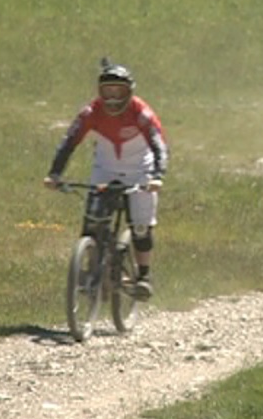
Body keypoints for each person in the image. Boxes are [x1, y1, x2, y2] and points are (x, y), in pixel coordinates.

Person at [44, 59, 170, 300]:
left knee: (141, 227)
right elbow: (69, 142)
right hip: (105, 168)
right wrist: (54, 173)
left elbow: (159, 146)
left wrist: (157, 176)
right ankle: (91, 266)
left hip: (140, 171)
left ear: (129, 92)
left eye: (118, 91)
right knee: (93, 219)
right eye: (107, 91)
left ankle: (143, 276)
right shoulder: (91, 113)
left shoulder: (142, 113)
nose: (112, 97)